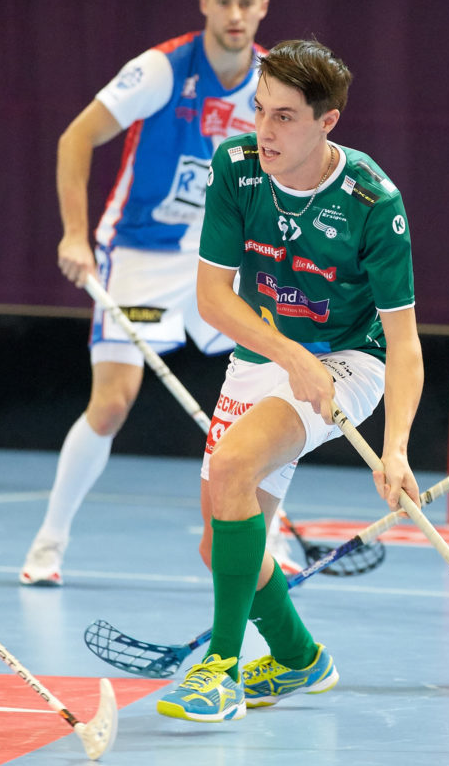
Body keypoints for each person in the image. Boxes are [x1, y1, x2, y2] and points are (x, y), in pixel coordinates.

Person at [155, 39, 423, 722]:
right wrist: (288, 356)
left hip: (348, 361)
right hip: (264, 350)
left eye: (283, 117)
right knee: (220, 543)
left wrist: (395, 449)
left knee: (234, 466)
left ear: (327, 122)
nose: (263, 131)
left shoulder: (373, 201)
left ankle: (219, 670)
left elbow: (404, 343)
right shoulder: (236, 166)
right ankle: (301, 658)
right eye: (258, 110)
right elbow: (213, 298)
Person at [20, 0, 292, 586]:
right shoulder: (161, 69)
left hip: (227, 258)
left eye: (245, 3)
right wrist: (74, 235)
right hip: (142, 251)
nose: (234, 14)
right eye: (222, 2)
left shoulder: (275, 80)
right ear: (203, 5)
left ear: (263, 9)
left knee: (278, 391)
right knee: (112, 403)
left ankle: (273, 538)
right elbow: (75, 138)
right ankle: (49, 543)